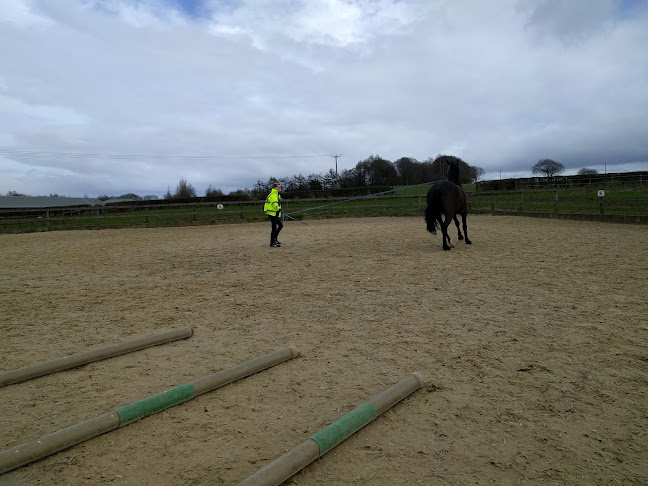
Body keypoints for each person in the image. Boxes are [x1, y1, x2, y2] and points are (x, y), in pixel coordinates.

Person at [264, 182, 283, 248]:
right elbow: (274, 203)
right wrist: (278, 208)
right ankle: (272, 243)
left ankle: (275, 239)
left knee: (280, 225)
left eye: (280, 187)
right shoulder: (273, 195)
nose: (280, 188)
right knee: (274, 227)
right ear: (275, 188)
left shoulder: (277, 195)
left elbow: (278, 203)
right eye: (278, 187)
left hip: (275, 213)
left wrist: (279, 210)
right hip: (271, 213)